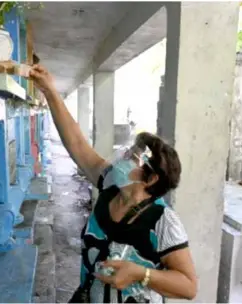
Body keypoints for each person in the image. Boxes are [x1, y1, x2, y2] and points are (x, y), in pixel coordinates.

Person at [29, 65, 197, 303]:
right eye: (131, 149)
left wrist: (141, 273)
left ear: (151, 178)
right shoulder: (110, 184)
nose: (125, 155)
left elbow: (189, 286)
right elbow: (76, 143)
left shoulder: (163, 221)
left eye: (135, 156)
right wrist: (49, 91)